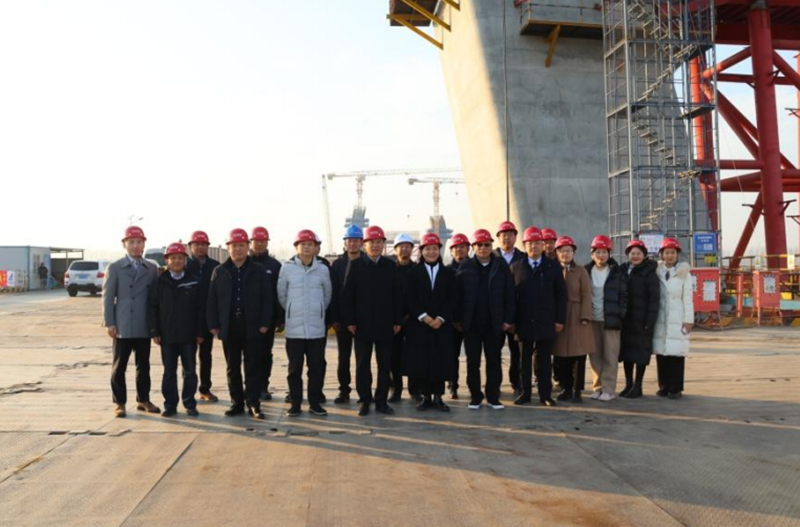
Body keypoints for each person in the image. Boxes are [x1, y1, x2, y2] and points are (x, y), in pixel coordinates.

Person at [207, 228, 273, 420]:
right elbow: (212, 300)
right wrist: (213, 324)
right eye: (234, 245)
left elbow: (267, 298)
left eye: (242, 245)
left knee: (252, 367)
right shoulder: (219, 271)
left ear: (248, 247)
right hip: (229, 326)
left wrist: (264, 322)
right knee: (232, 367)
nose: (238, 249)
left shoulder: (258, 270)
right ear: (228, 247)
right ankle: (236, 403)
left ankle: (254, 403)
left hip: (252, 325)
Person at [341, 225, 402, 417]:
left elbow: (397, 295)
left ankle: (381, 401)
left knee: (384, 365)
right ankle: (364, 400)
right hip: (362, 325)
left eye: (379, 242)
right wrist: (350, 321)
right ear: (364, 244)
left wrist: (397, 320)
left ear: (383, 244)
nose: (375, 246)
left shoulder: (390, 266)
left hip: (386, 324)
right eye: (371, 242)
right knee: (362, 365)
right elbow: (347, 296)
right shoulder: (356, 266)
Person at [102, 226, 160, 418]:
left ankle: (143, 400)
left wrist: (155, 326)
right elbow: (108, 297)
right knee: (119, 367)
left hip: (143, 324)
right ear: (124, 244)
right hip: (122, 325)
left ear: (144, 244)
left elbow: (155, 299)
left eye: (139, 242)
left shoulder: (151, 268)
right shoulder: (115, 267)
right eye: (132, 242)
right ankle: (119, 403)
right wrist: (109, 322)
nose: (136, 246)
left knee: (143, 366)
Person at [455, 229, 515, 410]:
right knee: (472, 362)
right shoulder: (465, 266)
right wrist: (458, 320)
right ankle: (475, 396)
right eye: (479, 245)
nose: (483, 248)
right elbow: (457, 296)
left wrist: (508, 319)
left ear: (491, 246)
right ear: (473, 247)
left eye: (486, 244)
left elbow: (510, 295)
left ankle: (493, 396)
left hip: (494, 324)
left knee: (494, 361)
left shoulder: (501, 266)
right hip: (472, 325)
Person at [277, 230, 333, 417]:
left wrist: (318, 310)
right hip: (294, 330)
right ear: (296, 247)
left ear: (316, 247)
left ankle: (315, 403)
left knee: (316, 368)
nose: (307, 247)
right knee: (294, 369)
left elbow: (327, 295)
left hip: (316, 329)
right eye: (303, 244)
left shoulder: (323, 269)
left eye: (310, 244)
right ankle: (295, 403)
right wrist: (292, 309)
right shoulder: (287, 268)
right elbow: (282, 295)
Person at [510, 226, 566, 407]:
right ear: (524, 245)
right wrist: (511, 320)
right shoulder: (516, 267)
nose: (533, 246)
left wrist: (560, 320)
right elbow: (510, 297)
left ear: (543, 245)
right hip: (523, 321)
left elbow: (561, 295)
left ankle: (545, 395)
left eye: (537, 243)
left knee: (544, 361)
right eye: (529, 243)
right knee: (524, 361)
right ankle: (525, 393)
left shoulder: (553, 266)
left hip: (546, 320)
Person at [147, 243, 204, 417]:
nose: (177, 261)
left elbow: (201, 309)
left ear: (185, 259)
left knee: (190, 372)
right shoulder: (159, 282)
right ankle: (170, 405)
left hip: (189, 336)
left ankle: (190, 403)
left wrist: (200, 332)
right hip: (167, 336)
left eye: (180, 257)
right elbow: (152, 308)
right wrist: (154, 331)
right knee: (169, 373)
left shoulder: (194, 281)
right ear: (167, 260)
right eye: (173, 258)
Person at [403, 233, 457, 412]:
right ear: (422, 251)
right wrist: (424, 317)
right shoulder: (413, 273)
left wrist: (441, 318)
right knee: (423, 361)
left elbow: (452, 298)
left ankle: (439, 397)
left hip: (442, 325)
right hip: (420, 325)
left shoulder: (449, 273)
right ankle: (426, 397)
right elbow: (410, 299)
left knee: (441, 360)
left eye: (435, 249)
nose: (431, 252)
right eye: (428, 249)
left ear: (439, 250)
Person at [552, 236, 595, 403]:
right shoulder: (552, 269)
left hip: (577, 315)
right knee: (562, 355)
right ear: (556, 252)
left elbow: (586, 294)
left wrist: (585, 316)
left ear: (574, 253)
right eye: (562, 250)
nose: (566, 254)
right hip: (559, 315)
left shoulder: (581, 271)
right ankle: (566, 388)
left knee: (578, 355)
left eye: (569, 250)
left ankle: (577, 390)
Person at [585, 235, 627, 401]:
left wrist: (620, 313)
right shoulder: (586, 271)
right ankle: (597, 387)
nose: (601, 255)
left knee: (610, 355)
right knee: (594, 356)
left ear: (609, 253)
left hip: (611, 320)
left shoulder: (617, 272)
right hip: (592, 319)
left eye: (604, 252)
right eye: (598, 252)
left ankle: (609, 390)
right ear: (592, 254)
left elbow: (624, 295)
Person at [653, 238, 694, 400]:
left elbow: (688, 298)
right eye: (667, 253)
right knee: (662, 353)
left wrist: (688, 320)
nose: (669, 256)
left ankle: (676, 388)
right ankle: (663, 386)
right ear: (661, 254)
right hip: (661, 318)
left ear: (677, 254)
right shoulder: (657, 271)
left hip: (678, 318)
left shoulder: (684, 274)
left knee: (676, 354)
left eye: (673, 253)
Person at [619, 239, 660, 399]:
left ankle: (638, 386)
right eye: (632, 253)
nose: (635, 256)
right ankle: (628, 384)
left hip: (642, 321)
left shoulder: (649, 273)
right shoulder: (623, 270)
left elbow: (654, 299)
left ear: (644, 255)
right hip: (626, 320)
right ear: (627, 255)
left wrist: (650, 322)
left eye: (638, 253)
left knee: (640, 354)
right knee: (627, 354)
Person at [330, 225, 364, 404]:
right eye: (350, 240)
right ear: (345, 243)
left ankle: (363, 392)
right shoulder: (337, 265)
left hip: (363, 320)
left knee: (362, 359)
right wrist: (335, 318)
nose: (353, 244)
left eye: (356, 240)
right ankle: (344, 390)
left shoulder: (367, 263)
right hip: (342, 321)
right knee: (343, 358)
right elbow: (333, 293)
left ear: (361, 243)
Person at [186, 230, 221, 402]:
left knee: (206, 356)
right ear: (190, 246)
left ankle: (205, 388)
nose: (199, 247)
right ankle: (189, 392)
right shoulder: (184, 265)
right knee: (189, 358)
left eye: (203, 244)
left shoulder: (216, 266)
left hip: (208, 318)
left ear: (208, 246)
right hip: (188, 319)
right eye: (196, 244)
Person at [249, 226, 282, 401]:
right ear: (251, 242)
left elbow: (280, 293)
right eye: (256, 241)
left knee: (264, 354)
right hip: (246, 319)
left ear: (267, 242)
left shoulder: (275, 266)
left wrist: (280, 318)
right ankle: (250, 387)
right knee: (249, 355)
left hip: (267, 319)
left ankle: (263, 386)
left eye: (262, 241)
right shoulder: (243, 262)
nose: (259, 244)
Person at [493, 220, 526, 395]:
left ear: (515, 237)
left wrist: (512, 318)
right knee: (494, 353)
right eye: (503, 235)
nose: (507, 238)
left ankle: (517, 383)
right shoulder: (491, 257)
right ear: (498, 237)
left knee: (517, 353)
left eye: (510, 234)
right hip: (496, 315)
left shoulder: (523, 258)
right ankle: (495, 384)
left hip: (517, 315)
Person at [389, 233, 415, 402]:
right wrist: (395, 318)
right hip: (394, 320)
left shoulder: (418, 269)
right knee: (394, 357)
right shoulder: (390, 269)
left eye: (408, 246)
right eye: (401, 246)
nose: (404, 249)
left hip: (414, 319)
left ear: (412, 249)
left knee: (414, 355)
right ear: (395, 249)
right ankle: (395, 390)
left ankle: (415, 389)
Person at [446, 233, 470, 399]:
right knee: (451, 356)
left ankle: (473, 385)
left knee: (473, 357)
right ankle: (452, 385)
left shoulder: (475, 269)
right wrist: (453, 319)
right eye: (456, 247)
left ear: (468, 249)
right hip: (452, 322)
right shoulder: (446, 271)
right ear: (451, 250)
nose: (459, 250)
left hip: (471, 321)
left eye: (462, 247)